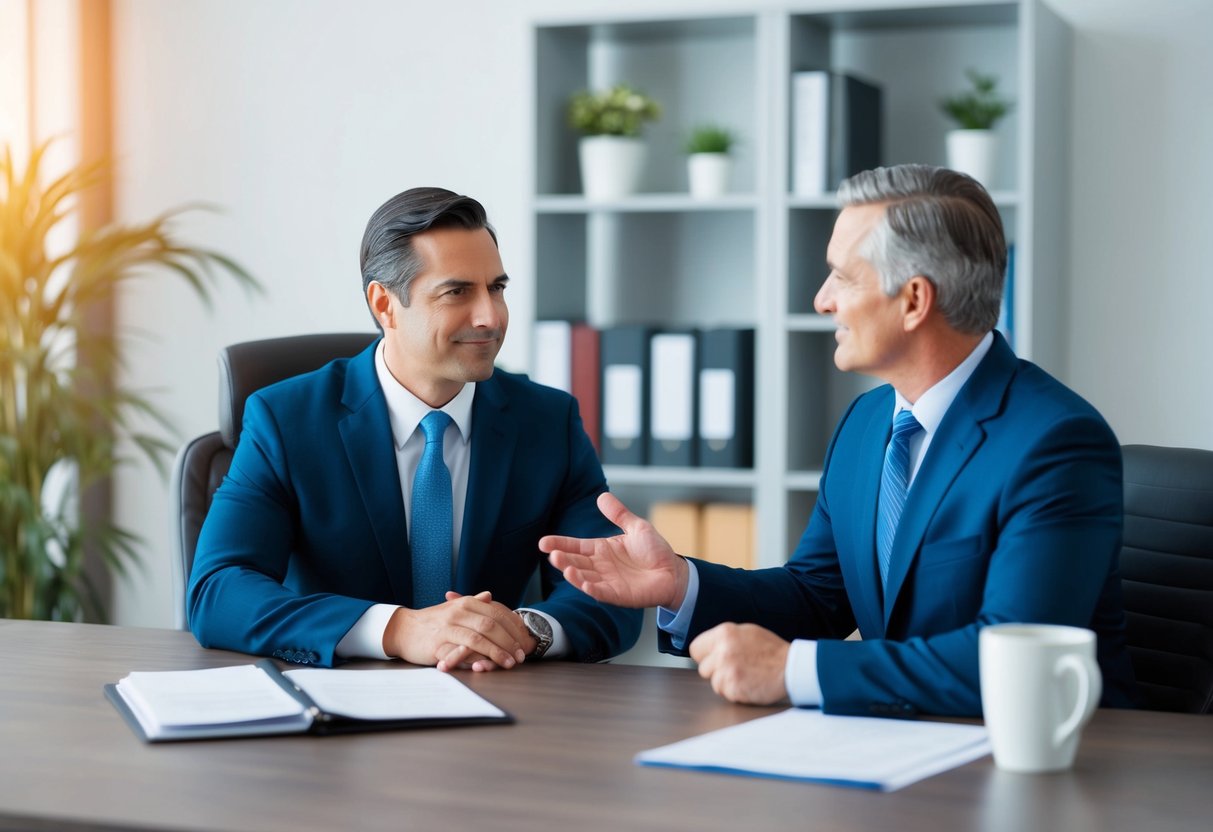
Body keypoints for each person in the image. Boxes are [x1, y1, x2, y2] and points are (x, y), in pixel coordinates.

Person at [541, 164, 1138, 716]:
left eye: (843, 278)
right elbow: (816, 598)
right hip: (901, 750)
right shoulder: (866, 422)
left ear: (913, 300)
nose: (821, 300)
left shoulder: (1055, 443)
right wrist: (680, 582)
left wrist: (794, 670)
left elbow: (1012, 662)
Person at [189, 187, 640, 670]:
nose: (491, 316)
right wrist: (398, 629)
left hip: (497, 703)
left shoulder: (548, 422)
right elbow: (219, 591)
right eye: (457, 292)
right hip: (336, 713)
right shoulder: (286, 420)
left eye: (497, 288)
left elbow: (612, 589)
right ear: (385, 305)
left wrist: (524, 632)